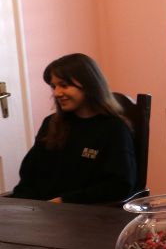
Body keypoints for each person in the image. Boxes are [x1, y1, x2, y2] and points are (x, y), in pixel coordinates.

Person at [11, 53, 136, 203]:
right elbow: (29, 175)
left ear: (89, 85)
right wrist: (18, 205)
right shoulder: (51, 124)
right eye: (53, 86)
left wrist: (64, 201)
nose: (57, 93)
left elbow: (119, 185)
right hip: (41, 210)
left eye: (64, 85)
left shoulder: (114, 129)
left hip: (83, 212)